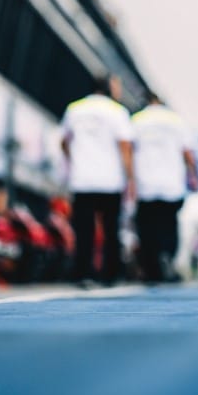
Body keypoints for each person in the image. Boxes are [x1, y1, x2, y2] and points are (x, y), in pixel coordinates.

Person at [60, 75, 134, 287]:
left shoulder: (74, 109)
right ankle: (110, 275)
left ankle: (83, 273)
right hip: (110, 180)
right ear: (109, 88)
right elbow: (125, 148)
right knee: (111, 230)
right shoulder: (117, 111)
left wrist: (74, 160)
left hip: (82, 179)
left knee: (84, 230)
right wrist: (130, 178)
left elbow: (64, 141)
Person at [130, 92, 198, 283]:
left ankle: (151, 268)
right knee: (169, 224)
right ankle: (167, 257)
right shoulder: (175, 120)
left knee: (147, 227)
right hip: (171, 183)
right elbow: (187, 153)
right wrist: (193, 176)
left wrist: (129, 180)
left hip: (146, 183)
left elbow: (128, 150)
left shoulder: (137, 120)